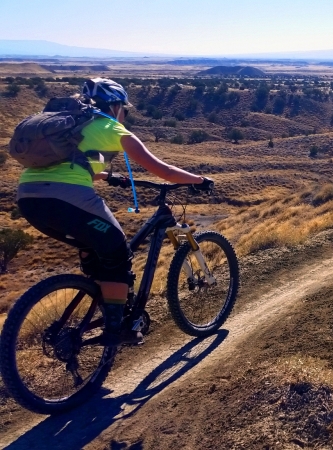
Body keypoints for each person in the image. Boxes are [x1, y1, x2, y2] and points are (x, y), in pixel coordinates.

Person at [16, 78, 213, 346]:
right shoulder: (112, 127)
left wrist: (109, 176)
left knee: (98, 248)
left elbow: (75, 165)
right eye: (125, 109)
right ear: (116, 105)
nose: (125, 114)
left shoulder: (71, 125)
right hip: (67, 198)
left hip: (29, 198)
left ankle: (98, 287)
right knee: (119, 251)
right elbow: (163, 171)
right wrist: (199, 180)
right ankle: (117, 328)